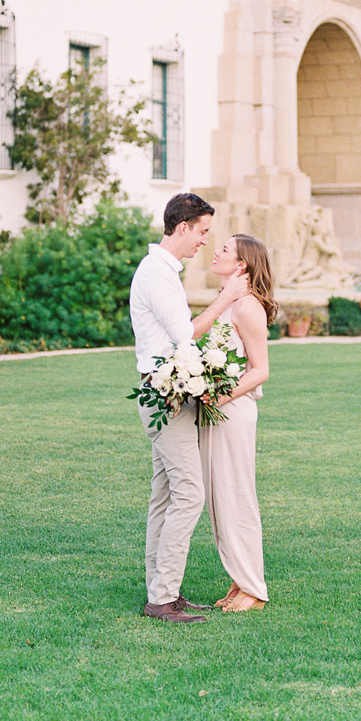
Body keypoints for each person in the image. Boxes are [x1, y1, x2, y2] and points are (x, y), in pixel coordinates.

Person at [129, 192, 248, 624]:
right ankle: (161, 598)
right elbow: (184, 336)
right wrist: (227, 296)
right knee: (189, 494)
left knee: (164, 495)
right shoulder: (157, 273)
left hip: (167, 391)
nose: (203, 241)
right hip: (163, 395)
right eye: (201, 232)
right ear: (182, 228)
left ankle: (164, 593)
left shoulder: (162, 271)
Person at [201, 233, 278, 612]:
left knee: (237, 496)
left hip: (233, 412)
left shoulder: (248, 307)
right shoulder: (230, 304)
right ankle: (238, 580)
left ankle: (254, 588)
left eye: (225, 250)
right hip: (218, 412)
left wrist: (217, 396)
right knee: (220, 499)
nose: (216, 251)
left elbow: (261, 370)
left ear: (242, 265)